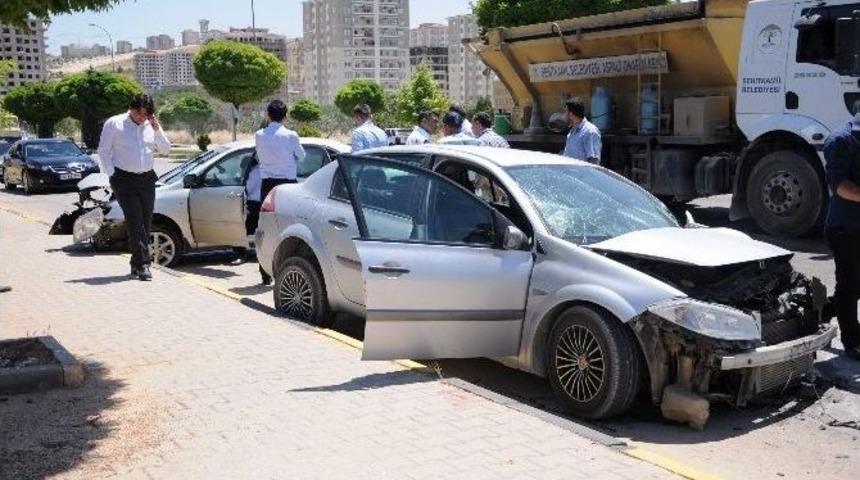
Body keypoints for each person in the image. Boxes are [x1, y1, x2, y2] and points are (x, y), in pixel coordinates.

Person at [97, 94, 170, 281]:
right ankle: (144, 265)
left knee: (145, 222)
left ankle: (136, 262)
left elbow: (165, 150)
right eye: (139, 113)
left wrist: (156, 128)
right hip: (123, 179)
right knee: (134, 221)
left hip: (146, 179)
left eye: (146, 115)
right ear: (131, 109)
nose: (141, 118)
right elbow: (103, 151)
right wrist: (112, 174)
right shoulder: (115, 123)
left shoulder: (151, 126)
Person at [822, 106, 860, 360]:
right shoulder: (841, 139)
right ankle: (852, 341)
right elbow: (839, 186)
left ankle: (823, 311)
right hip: (845, 228)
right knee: (850, 283)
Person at [255, 99, 305, 284]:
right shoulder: (291, 135)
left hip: (267, 184)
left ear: (268, 115)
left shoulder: (259, 134)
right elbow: (302, 155)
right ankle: (289, 271)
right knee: (290, 227)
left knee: (265, 227)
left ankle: (264, 273)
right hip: (288, 184)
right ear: (285, 116)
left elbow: (260, 155)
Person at [562, 99, 602, 164]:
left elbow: (594, 161)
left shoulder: (589, 131)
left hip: (582, 174)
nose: (563, 115)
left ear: (571, 114)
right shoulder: (573, 131)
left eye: (565, 112)